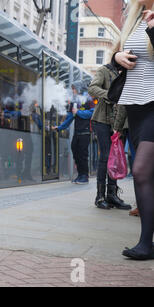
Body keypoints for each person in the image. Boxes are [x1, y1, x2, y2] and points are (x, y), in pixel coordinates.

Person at [113, 0, 154, 260]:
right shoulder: (134, 17)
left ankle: (145, 243)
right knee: (148, 175)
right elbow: (118, 54)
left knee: (139, 171)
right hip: (135, 105)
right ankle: (147, 241)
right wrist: (117, 57)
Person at [88, 63, 132, 210]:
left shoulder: (130, 73)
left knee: (116, 157)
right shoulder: (104, 70)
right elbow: (92, 88)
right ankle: (100, 196)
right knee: (106, 156)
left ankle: (112, 195)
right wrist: (109, 94)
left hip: (120, 122)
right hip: (102, 119)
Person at [53, 87, 95, 185]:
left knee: (83, 154)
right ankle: (80, 174)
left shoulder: (89, 99)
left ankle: (84, 176)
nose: (73, 91)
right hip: (77, 132)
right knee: (75, 151)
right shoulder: (74, 101)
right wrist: (60, 127)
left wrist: (78, 112)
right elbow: (70, 117)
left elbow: (92, 113)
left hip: (86, 132)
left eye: (74, 89)